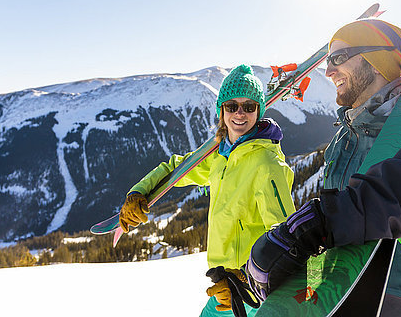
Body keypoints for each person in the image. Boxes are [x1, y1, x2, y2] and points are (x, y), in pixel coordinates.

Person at [245, 20, 401, 316]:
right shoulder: (343, 139)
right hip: (352, 292)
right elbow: (338, 232)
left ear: (376, 61)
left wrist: (331, 218)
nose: (328, 71)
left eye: (337, 59)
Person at [119, 64, 296, 317]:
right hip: (225, 283)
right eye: (231, 106)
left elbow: (283, 235)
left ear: (259, 111)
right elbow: (176, 168)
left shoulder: (266, 163)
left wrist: (245, 279)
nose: (240, 113)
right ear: (221, 110)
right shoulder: (219, 155)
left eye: (248, 107)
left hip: (253, 287)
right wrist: (140, 192)